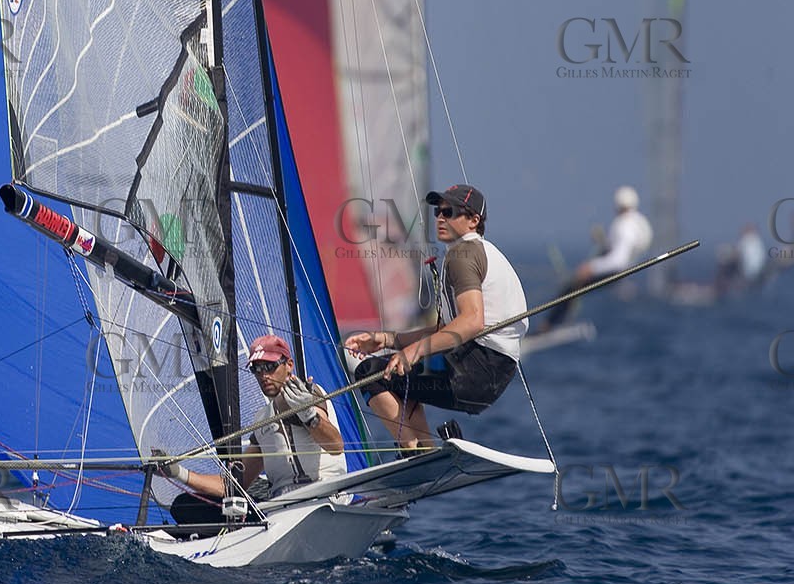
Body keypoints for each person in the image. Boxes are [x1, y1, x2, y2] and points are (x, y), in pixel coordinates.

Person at [343, 184, 526, 453]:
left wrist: (412, 352)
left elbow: (472, 321)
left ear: (474, 220)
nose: (440, 218)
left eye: (449, 212)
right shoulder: (479, 252)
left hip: (477, 368)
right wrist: (388, 339)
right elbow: (448, 330)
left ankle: (413, 449)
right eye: (438, 212)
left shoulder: (463, 256)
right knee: (402, 378)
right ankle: (423, 450)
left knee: (371, 374)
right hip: (491, 370)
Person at [155, 335, 345, 524]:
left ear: (289, 364)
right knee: (184, 505)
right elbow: (233, 485)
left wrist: (310, 415)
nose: (263, 375)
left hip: (324, 497)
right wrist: (177, 472)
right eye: (257, 369)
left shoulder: (308, 392)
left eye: (270, 367)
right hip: (280, 508)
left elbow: (336, 445)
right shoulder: (262, 419)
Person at [545, 185, 653, 326]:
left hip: (614, 271)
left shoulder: (624, 225)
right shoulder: (639, 222)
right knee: (574, 289)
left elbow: (618, 260)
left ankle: (548, 325)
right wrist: (603, 241)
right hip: (623, 271)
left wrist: (591, 268)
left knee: (571, 288)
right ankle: (556, 323)